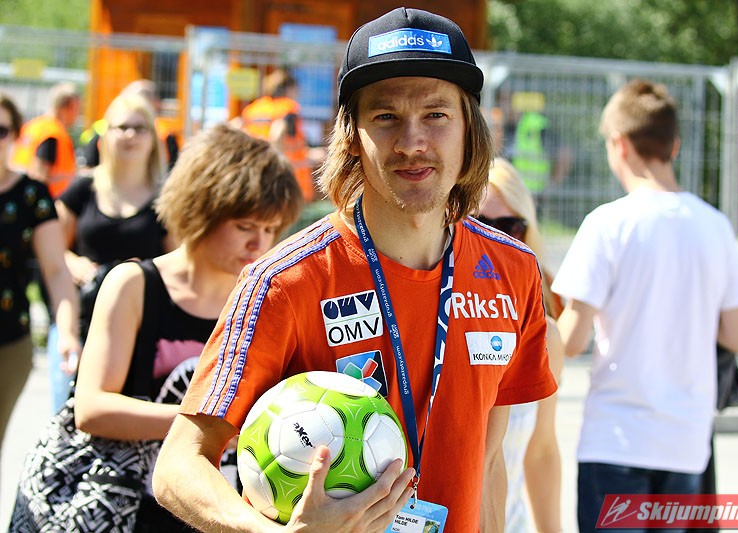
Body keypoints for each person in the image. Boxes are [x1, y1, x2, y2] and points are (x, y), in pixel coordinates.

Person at [153, 7, 556, 532]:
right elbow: (178, 466)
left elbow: (488, 459)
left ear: (469, 131)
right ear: (351, 135)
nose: (411, 142)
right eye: (385, 117)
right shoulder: (284, 282)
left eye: (436, 114)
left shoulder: (513, 270)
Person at [70, 123, 303, 530]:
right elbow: (91, 408)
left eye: (270, 229)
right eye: (245, 227)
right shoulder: (134, 284)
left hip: (226, 512)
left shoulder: (269, 298)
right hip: (132, 510)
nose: (260, 244)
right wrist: (209, 427)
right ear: (200, 209)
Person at [551, 79, 738, 532]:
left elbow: (573, 339)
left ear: (619, 144)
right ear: (674, 145)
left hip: (615, 440)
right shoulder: (715, 226)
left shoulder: (607, 224)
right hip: (685, 443)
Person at [46, 92, 174, 413]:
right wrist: (73, 262)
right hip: (78, 318)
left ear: (152, 138)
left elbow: (176, 263)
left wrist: (141, 271)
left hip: (139, 327)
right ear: (106, 135)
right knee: (65, 413)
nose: (130, 135)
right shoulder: (83, 188)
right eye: (121, 127)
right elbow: (51, 248)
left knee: (119, 412)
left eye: (140, 128)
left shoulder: (167, 199)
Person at [477, 157, 565, 533]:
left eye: (509, 228)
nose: (494, 242)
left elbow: (542, 450)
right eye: (478, 225)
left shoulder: (546, 337)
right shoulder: (429, 321)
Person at [0, 93, 81, 472]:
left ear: (16, 136)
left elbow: (56, 271)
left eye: (1, 130)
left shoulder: (32, 195)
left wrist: (66, 332)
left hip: (8, 341)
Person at [240, 69, 319, 202]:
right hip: (287, 182)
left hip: (256, 177)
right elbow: (277, 136)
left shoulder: (253, 109)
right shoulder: (287, 108)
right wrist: (308, 158)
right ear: (289, 89)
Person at [80, 79, 180, 170]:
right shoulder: (103, 131)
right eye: (123, 128)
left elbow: (173, 171)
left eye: (140, 129)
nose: (130, 134)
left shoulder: (164, 135)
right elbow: (89, 167)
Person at [10, 81, 81, 199]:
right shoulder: (52, 133)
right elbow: (39, 174)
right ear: (66, 107)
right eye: (77, 109)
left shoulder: (33, 126)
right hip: (45, 201)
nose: (78, 115)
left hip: (19, 194)